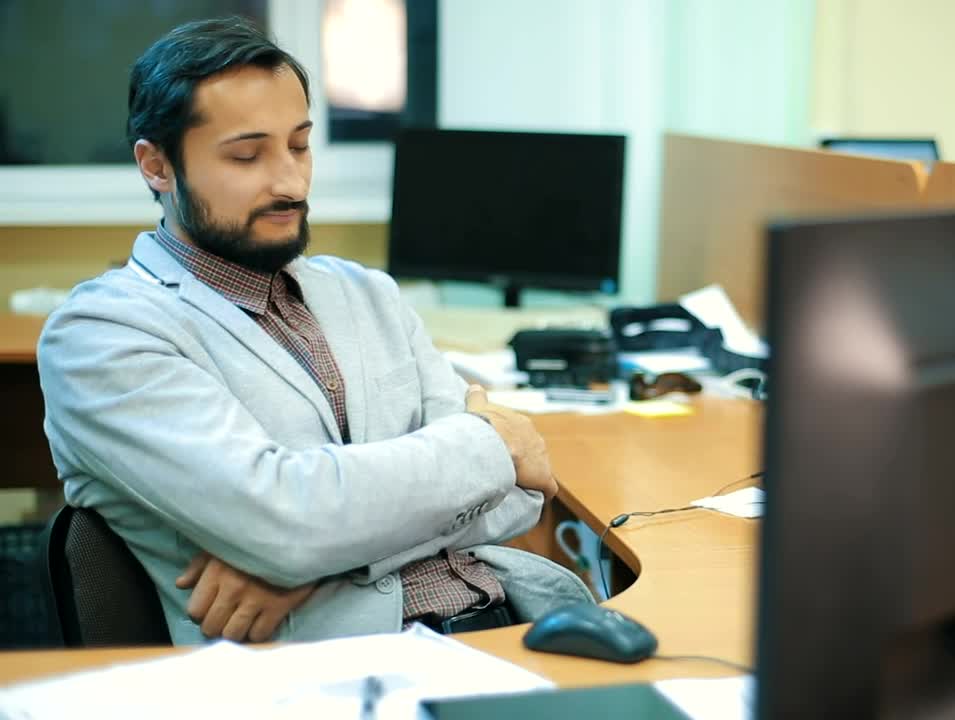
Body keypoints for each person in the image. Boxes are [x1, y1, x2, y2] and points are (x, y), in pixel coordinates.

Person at [37, 17, 592, 645]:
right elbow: (285, 521)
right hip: (334, 671)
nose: (290, 181)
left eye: (299, 145)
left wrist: (310, 561)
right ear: (157, 166)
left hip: (506, 621)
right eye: (247, 154)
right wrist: (492, 445)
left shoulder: (368, 294)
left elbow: (522, 500)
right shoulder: (101, 334)